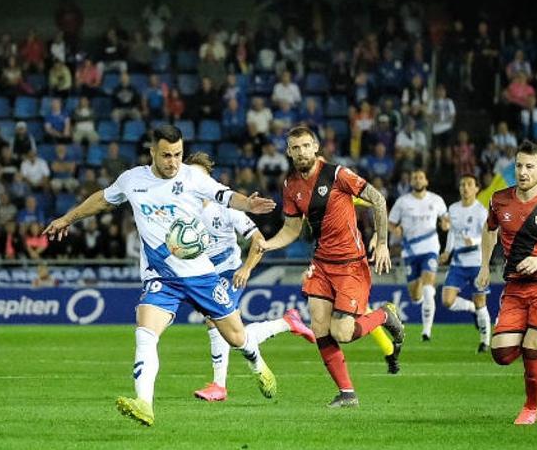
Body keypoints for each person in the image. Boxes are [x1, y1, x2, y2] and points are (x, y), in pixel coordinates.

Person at [44, 125, 279, 426]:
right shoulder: (132, 180)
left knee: (237, 337)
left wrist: (248, 204)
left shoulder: (193, 177)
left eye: (178, 154)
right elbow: (102, 200)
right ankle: (144, 404)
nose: (173, 161)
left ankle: (258, 364)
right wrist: (67, 219)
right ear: (152, 152)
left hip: (201, 275)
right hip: (161, 277)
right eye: (166, 155)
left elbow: (224, 195)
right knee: (145, 333)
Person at [254, 127, 404, 408]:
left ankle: (384, 316)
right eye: (295, 147)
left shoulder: (337, 175)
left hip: (351, 265)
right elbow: (291, 228)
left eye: (306, 146)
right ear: (288, 151)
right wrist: (269, 245)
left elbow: (378, 200)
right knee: (319, 326)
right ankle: (347, 393)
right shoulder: (290, 185)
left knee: (342, 333)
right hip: (322, 264)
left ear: (316, 147)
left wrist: (382, 243)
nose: (301, 152)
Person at [184, 152, 315, 403]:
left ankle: (219, 386)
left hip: (228, 271)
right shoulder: (182, 210)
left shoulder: (225, 208)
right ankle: (287, 323)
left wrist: (245, 269)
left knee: (215, 322)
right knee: (234, 333)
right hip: (201, 275)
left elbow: (258, 240)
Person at [476, 141, 537, 425]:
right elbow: (489, 230)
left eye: (529, 167)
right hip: (516, 289)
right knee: (502, 354)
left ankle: (531, 408)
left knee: (532, 348)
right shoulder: (499, 199)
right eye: (519, 165)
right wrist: (485, 265)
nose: (522, 172)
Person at [389, 169, 449, 341]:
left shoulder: (436, 200)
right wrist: (396, 229)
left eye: (420, 177)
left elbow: (445, 219)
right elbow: (391, 223)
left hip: (430, 248)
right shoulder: (402, 202)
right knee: (416, 296)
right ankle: (423, 299)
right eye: (414, 177)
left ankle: (426, 331)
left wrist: (445, 224)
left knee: (428, 288)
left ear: (426, 181)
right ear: (411, 182)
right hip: (410, 251)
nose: (417, 180)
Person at [439, 174, 491, 352]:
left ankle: (485, 342)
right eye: (462, 184)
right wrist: (447, 251)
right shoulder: (453, 208)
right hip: (458, 263)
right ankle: (471, 309)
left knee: (481, 301)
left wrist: (475, 241)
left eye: (469, 184)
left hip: (477, 262)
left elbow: (490, 235)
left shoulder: (481, 211)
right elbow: (451, 232)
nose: (465, 188)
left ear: (477, 188)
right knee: (447, 300)